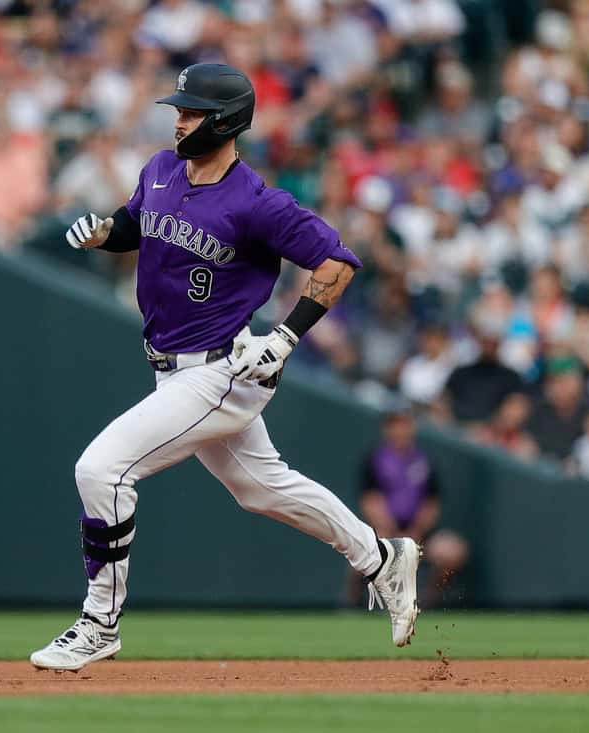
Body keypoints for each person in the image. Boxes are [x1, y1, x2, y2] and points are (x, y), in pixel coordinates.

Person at [29, 64, 421, 672]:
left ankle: (100, 622)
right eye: (179, 110)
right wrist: (102, 232)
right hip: (173, 367)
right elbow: (134, 225)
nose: (179, 119)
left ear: (226, 122)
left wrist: (286, 337)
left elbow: (338, 262)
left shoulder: (256, 201)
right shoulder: (161, 169)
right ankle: (380, 558)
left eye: (191, 111)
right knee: (262, 488)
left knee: (101, 470)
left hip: (220, 368)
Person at [357, 409, 469, 608]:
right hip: (386, 533)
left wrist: (415, 532)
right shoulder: (375, 459)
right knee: (357, 549)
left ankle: (426, 602)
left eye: (405, 424)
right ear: (387, 429)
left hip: (419, 535)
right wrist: (393, 534)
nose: (401, 430)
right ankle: (353, 604)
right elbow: (371, 500)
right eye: (396, 424)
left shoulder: (425, 460)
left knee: (453, 551)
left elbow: (431, 503)